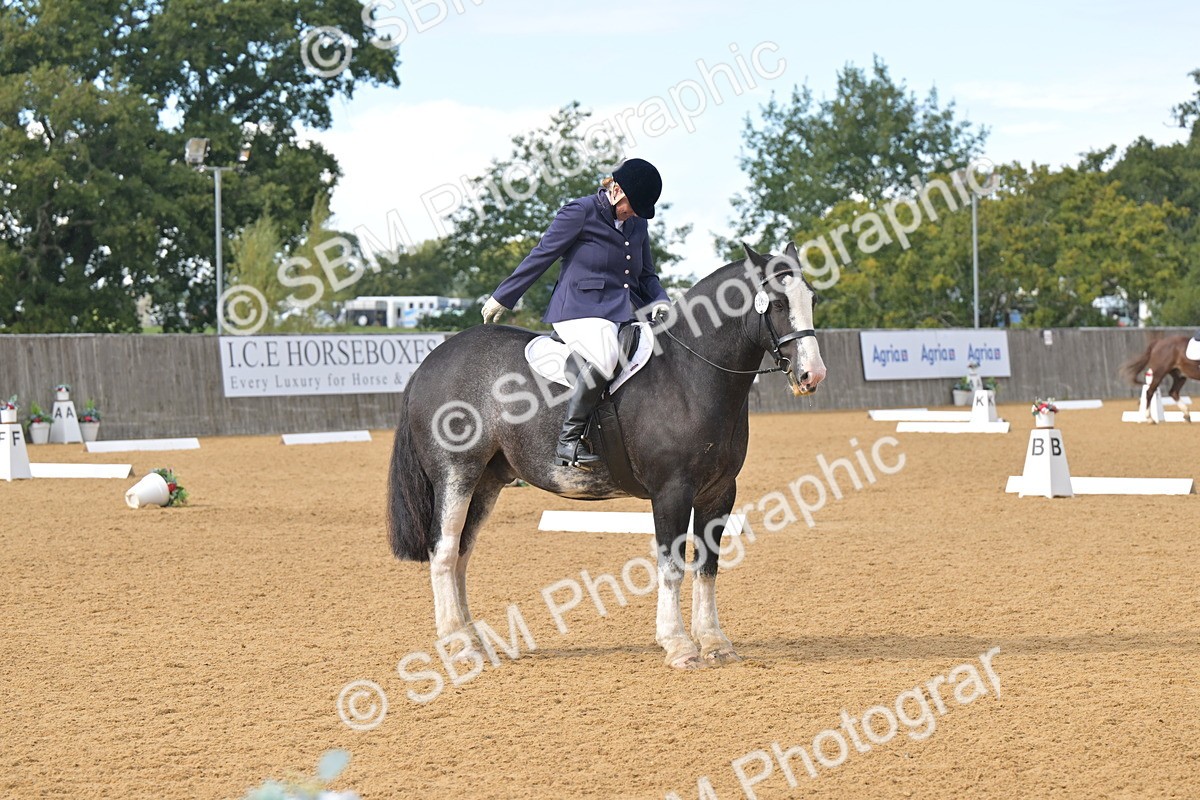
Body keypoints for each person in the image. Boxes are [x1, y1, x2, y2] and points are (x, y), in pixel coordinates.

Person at [481, 158, 672, 468]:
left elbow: (646, 275)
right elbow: (542, 255)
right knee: (609, 355)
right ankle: (568, 442)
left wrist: (661, 300)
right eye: (632, 206)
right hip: (579, 309)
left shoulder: (638, 223)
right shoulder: (580, 212)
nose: (634, 213)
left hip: (624, 310)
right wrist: (504, 296)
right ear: (616, 189)